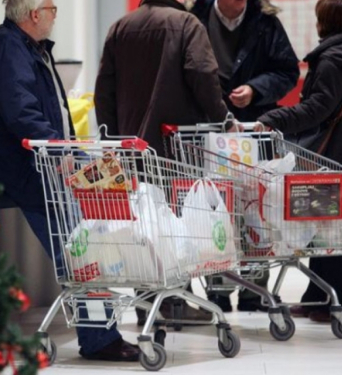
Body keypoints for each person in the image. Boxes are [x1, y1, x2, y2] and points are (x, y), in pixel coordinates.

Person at [0, 0, 140, 362]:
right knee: (80, 252)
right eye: (52, 7)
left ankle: (100, 334)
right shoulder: (8, 49)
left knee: (80, 249)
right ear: (34, 14)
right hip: (30, 172)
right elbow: (22, 112)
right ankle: (100, 339)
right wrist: (61, 153)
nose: (55, 14)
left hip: (39, 168)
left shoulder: (25, 47)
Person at [94, 0, 231, 325]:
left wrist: (113, 140)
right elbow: (202, 73)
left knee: (146, 224)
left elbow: (104, 90)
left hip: (132, 146)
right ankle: (175, 303)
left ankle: (147, 302)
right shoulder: (186, 24)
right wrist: (221, 117)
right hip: (174, 145)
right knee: (175, 224)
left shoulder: (120, 28)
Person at [191, 0, 300, 312]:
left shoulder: (266, 23)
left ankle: (255, 290)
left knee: (257, 207)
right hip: (207, 132)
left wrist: (255, 88)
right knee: (215, 210)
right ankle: (218, 290)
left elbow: (287, 71)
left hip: (254, 129)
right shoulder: (193, 18)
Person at [254, 0, 342, 323]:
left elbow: (318, 108)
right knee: (326, 227)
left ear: (324, 22)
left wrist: (273, 118)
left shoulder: (333, 58)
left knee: (328, 229)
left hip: (332, 157)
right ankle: (317, 296)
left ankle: (327, 299)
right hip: (333, 155)